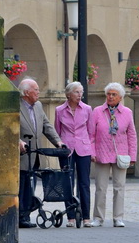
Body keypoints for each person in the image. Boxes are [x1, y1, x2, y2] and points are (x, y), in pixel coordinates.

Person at [87, 82, 138, 227]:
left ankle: (118, 218)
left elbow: (132, 135)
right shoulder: (97, 111)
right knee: (101, 187)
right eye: (108, 94)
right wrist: (92, 152)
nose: (110, 97)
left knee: (119, 187)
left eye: (114, 94)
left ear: (120, 97)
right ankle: (98, 218)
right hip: (101, 152)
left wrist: (132, 156)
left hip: (120, 154)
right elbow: (91, 134)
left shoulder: (127, 112)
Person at [19, 78, 63, 228]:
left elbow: (46, 125)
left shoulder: (38, 105)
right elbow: (8, 127)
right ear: (26, 93)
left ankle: (25, 215)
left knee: (30, 186)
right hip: (21, 154)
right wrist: (18, 141)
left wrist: (58, 142)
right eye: (35, 90)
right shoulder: (15, 105)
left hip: (34, 154)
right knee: (21, 185)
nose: (38, 92)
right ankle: (19, 216)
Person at [54, 81, 93, 227]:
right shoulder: (59, 110)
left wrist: (91, 149)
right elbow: (57, 132)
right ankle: (70, 217)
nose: (80, 95)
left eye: (81, 92)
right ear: (69, 94)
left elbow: (91, 132)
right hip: (67, 149)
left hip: (84, 149)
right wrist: (60, 147)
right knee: (68, 183)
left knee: (84, 183)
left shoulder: (87, 109)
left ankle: (86, 217)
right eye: (77, 92)